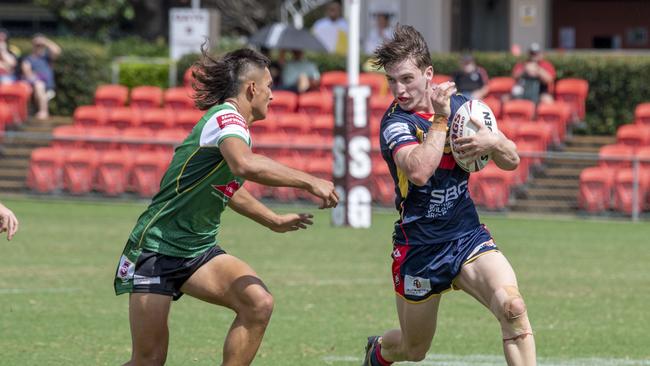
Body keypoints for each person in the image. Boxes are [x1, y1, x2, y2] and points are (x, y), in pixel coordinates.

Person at [114, 47, 339, 366]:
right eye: (270, 86)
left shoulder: (234, 127)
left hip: (196, 250)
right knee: (148, 361)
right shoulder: (226, 118)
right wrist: (308, 180)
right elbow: (245, 165)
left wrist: (271, 219)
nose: (272, 95)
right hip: (156, 248)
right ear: (252, 88)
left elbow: (227, 189)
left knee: (257, 303)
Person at [363, 25, 536, 366]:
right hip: (420, 247)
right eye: (392, 81)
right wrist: (441, 119)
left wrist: (494, 141)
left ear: (429, 74)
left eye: (407, 79)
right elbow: (419, 170)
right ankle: (379, 350)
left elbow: (512, 160)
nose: (399, 89)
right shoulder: (396, 123)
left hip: (466, 236)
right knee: (414, 350)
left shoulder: (466, 109)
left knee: (513, 308)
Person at [21, 34, 61, 120]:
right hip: (32, 83)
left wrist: (45, 41)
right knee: (36, 85)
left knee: (39, 86)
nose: (39, 47)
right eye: (37, 45)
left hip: (46, 85)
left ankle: (44, 112)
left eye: (41, 45)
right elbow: (26, 71)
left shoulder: (47, 57)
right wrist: (34, 78)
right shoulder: (28, 58)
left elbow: (57, 51)